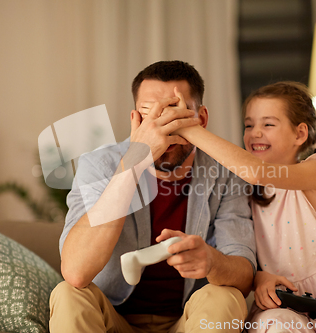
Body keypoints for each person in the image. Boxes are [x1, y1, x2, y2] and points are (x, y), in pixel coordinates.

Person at [175, 81, 316, 332]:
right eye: (249, 125)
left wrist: (187, 128)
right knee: (276, 326)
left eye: (268, 124)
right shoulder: (242, 190)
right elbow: (243, 252)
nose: (255, 133)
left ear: (300, 134)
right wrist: (258, 278)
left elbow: (256, 172)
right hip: (278, 303)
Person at [49, 60, 256, 333]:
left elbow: (243, 277)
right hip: (113, 319)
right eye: (150, 116)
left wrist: (212, 260)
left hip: (189, 320)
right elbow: (76, 272)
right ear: (136, 121)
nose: (163, 129)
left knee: (225, 296)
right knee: (68, 294)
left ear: (201, 119)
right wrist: (134, 161)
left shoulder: (225, 172)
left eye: (175, 114)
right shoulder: (99, 165)